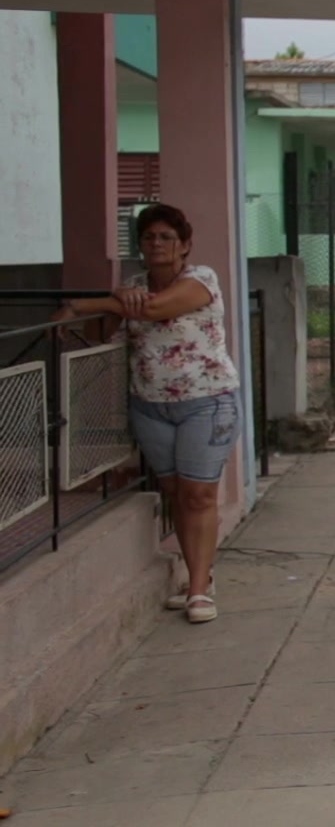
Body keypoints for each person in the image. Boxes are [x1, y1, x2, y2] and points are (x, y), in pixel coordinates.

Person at [55, 204, 241, 625]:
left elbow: (155, 310)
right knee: (175, 493)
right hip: (150, 405)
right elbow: (108, 333)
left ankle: (197, 592)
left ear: (184, 245)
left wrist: (87, 304)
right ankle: (200, 576)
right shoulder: (131, 287)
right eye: (148, 237)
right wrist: (107, 307)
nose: (156, 244)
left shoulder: (201, 279)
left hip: (205, 402)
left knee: (199, 495)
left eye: (165, 237)